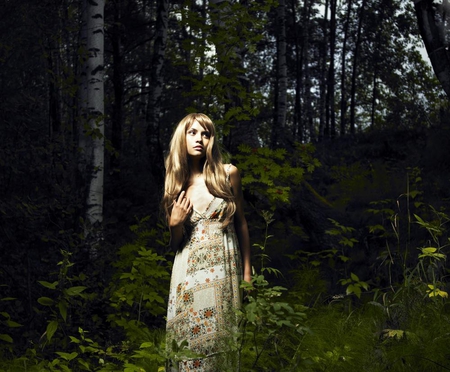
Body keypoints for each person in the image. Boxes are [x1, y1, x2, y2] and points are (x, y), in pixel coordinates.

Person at [162, 113, 251, 371]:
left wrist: (247, 272)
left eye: (205, 133)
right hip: (187, 273)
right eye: (192, 133)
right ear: (183, 138)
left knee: (221, 341)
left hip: (223, 269)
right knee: (189, 344)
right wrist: (175, 224)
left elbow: (242, 223)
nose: (199, 139)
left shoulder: (228, 174)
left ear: (212, 139)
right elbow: (177, 244)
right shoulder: (175, 185)